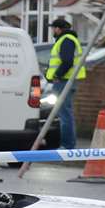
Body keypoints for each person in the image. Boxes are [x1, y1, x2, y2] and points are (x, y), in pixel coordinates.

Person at [43, 16, 86, 150]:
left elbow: (67, 61)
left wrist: (57, 75)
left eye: (53, 29)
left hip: (64, 81)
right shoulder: (67, 39)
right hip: (64, 81)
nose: (52, 31)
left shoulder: (66, 40)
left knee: (64, 114)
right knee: (64, 113)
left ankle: (67, 146)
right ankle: (67, 144)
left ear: (58, 29)